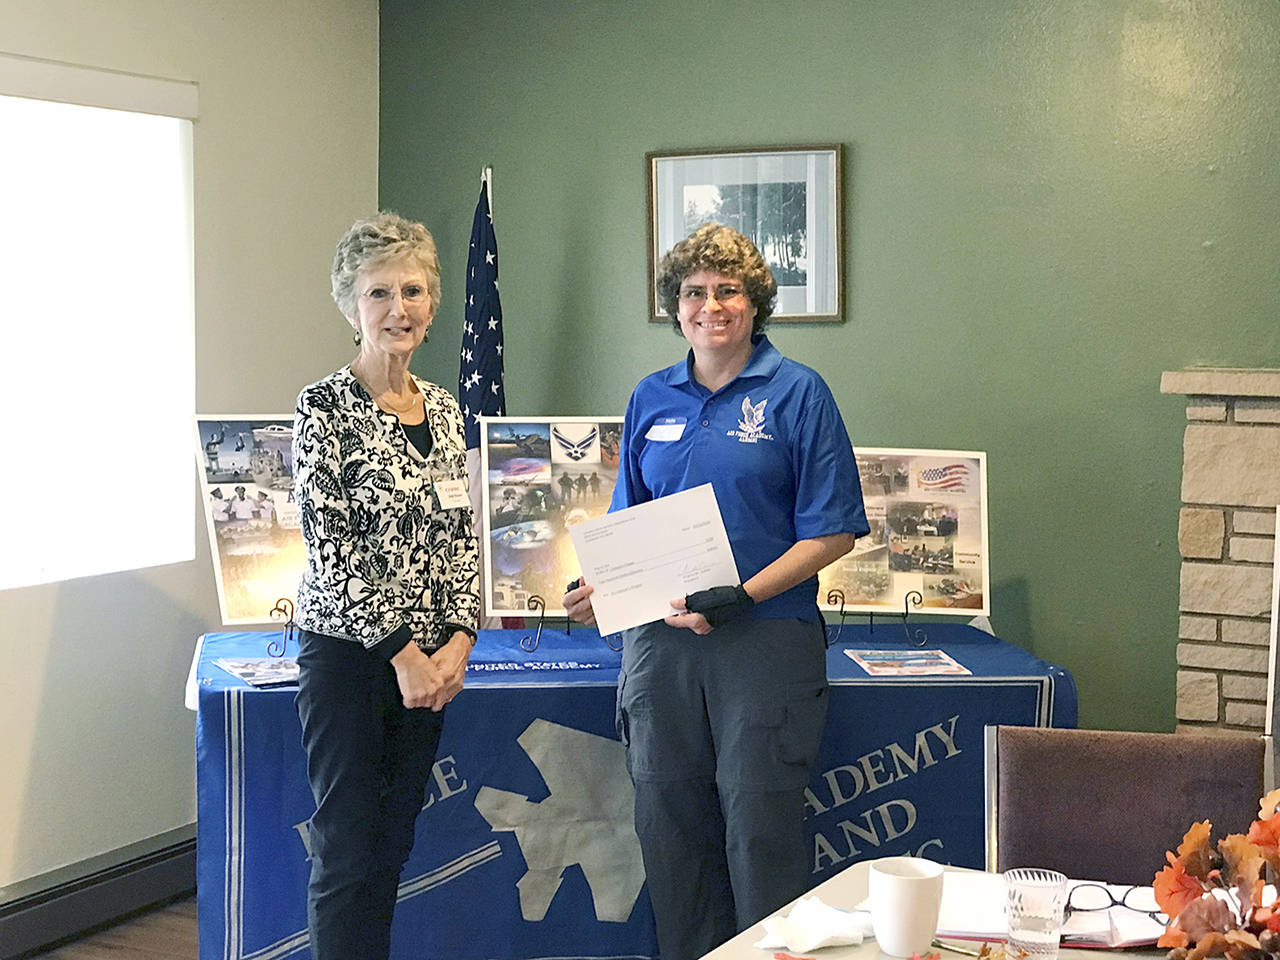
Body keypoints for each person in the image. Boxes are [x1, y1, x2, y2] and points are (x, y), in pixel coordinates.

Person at [563, 223, 868, 960]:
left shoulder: (799, 393)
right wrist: (597, 586)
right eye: (694, 293)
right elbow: (627, 521)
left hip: (764, 645)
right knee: (669, 832)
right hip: (660, 650)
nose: (711, 306)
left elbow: (834, 531)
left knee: (760, 834)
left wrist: (745, 595)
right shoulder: (651, 397)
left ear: (755, 303)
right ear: (676, 308)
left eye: (728, 290)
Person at [292, 212, 479, 960]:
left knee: (394, 844)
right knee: (346, 851)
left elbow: (463, 536)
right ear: (349, 306)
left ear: (433, 303)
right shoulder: (322, 408)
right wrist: (404, 654)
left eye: (413, 291)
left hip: (433, 666)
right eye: (379, 293)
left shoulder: (448, 408)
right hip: (352, 660)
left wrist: (460, 639)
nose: (398, 309)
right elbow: (333, 549)